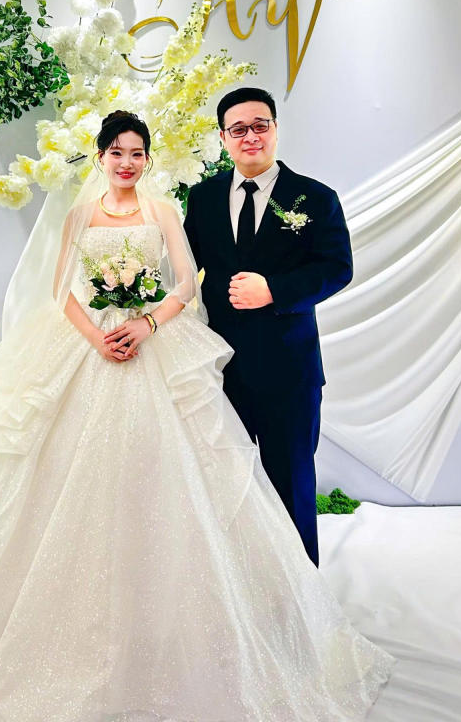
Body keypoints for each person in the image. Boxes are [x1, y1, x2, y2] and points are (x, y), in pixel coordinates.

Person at [0, 111, 393, 721]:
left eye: (137, 152)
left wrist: (146, 323)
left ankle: (276, 614)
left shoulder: (168, 210)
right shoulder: (82, 214)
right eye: (116, 152)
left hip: (160, 343)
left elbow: (186, 284)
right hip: (88, 345)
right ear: (100, 157)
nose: (127, 162)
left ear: (148, 159)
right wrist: (98, 337)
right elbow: (60, 289)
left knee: (185, 476)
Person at [184, 87, 353, 568]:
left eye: (260, 125)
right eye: (238, 129)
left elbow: (337, 268)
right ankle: (241, 588)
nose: (250, 136)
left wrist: (274, 289)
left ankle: (302, 594)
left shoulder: (315, 197)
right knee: (227, 484)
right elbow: (182, 268)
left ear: (275, 129)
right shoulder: (203, 197)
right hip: (220, 371)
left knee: (291, 483)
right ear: (223, 138)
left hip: (289, 371)